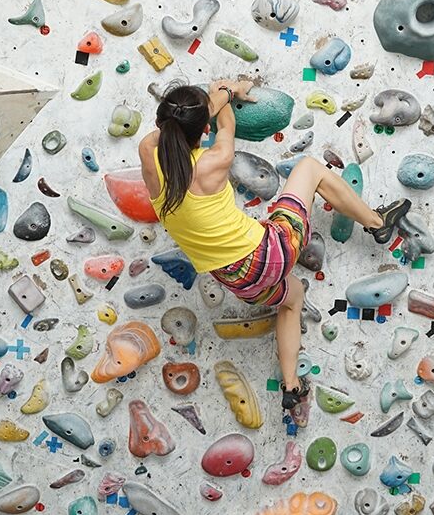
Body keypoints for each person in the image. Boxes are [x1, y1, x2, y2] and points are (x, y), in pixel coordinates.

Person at [139, 80, 410, 413]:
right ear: (201, 130)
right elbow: (226, 122)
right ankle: (379, 224)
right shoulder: (215, 160)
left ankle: (291, 386)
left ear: (162, 124)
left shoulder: (148, 157)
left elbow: (170, 129)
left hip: (238, 279)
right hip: (271, 251)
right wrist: (228, 91)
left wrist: (198, 109)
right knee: (309, 168)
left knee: (291, 300)